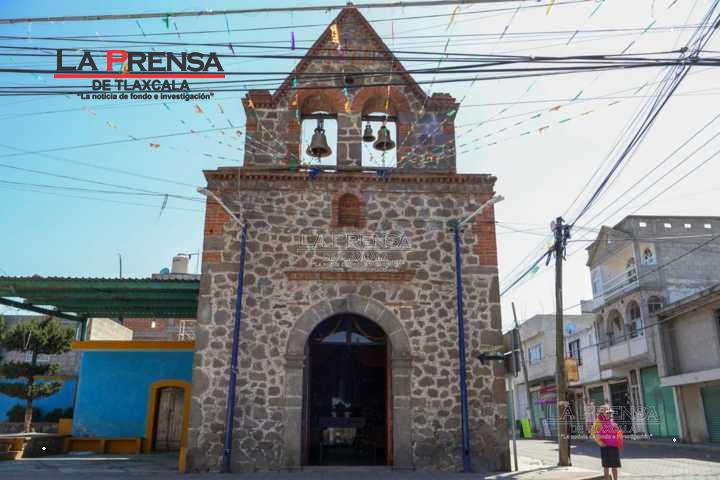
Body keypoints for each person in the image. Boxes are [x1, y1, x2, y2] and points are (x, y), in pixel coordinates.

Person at [590, 404, 622, 480]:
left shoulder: (611, 421)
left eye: (610, 412)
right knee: (606, 466)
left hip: (614, 446)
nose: (609, 414)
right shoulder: (598, 421)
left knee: (615, 466)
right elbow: (593, 432)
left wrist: (617, 431)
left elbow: (616, 432)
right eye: (607, 412)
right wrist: (600, 442)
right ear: (602, 413)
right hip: (605, 446)